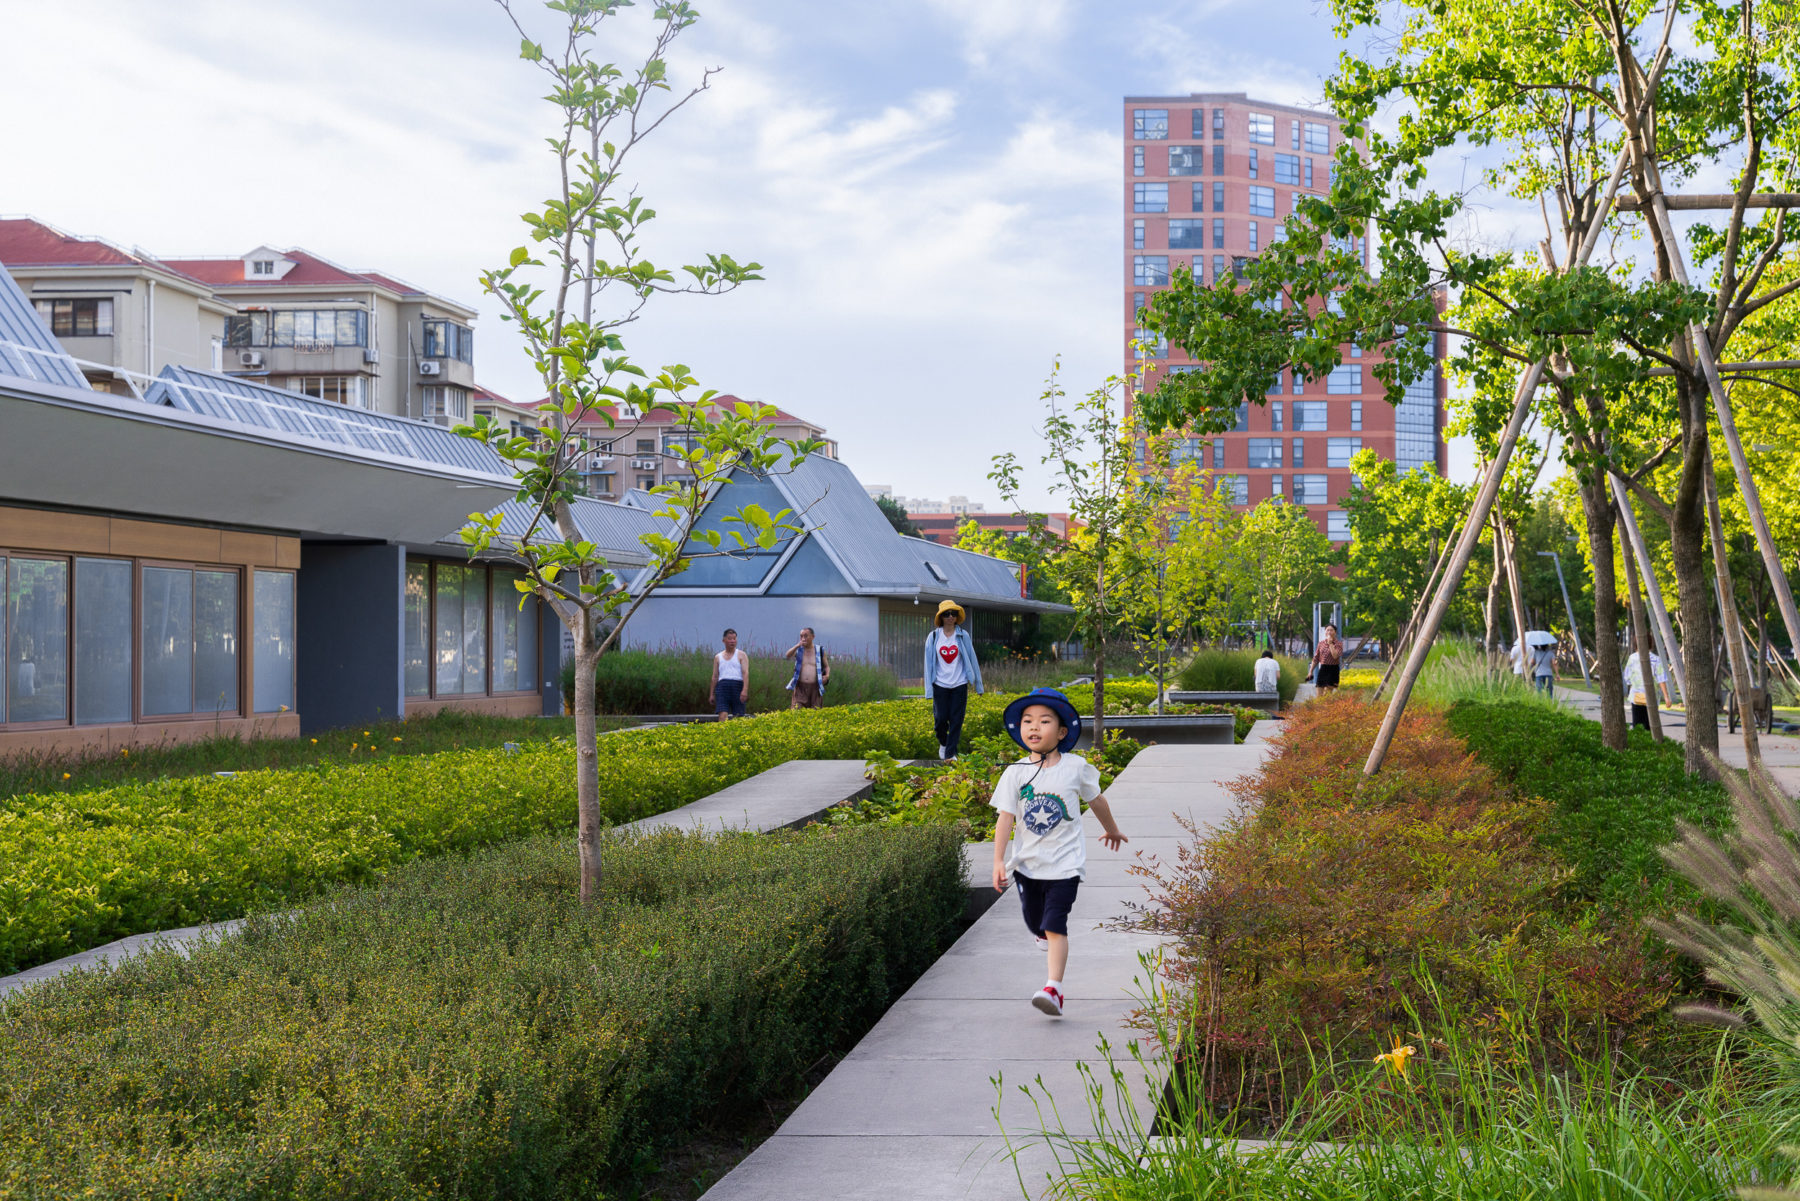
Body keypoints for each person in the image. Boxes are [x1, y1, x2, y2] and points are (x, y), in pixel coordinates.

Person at [990, 687, 1128, 1017]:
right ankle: (1041, 934)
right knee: (1035, 920)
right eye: (1027, 721)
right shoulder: (1015, 772)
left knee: (1055, 924)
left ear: (1062, 731)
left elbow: (1097, 800)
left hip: (1065, 865)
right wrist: (998, 860)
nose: (1034, 727)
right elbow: (1005, 818)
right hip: (1027, 866)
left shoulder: (1075, 767)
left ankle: (1054, 988)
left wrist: (1111, 828)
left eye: (1044, 721)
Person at [924, 599, 983, 759]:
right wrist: (928, 689)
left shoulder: (963, 635)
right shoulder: (934, 636)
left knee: (956, 720)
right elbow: (928, 664)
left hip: (960, 683)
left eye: (953, 614)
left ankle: (950, 754)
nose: (950, 617)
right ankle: (943, 743)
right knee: (941, 720)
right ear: (941, 617)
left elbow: (972, 659)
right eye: (947, 614)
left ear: (957, 617)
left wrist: (979, 686)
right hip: (940, 684)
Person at [783, 627, 830, 709]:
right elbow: (787, 656)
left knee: (815, 714)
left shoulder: (819, 650)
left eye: (806, 636)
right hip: (800, 688)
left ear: (813, 637)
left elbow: (826, 666)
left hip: (815, 687)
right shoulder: (798, 650)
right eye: (801, 636)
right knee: (796, 711)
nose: (803, 638)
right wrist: (797, 645)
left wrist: (827, 676)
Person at [1622, 648, 1668, 729]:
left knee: (1637, 726)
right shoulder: (1656, 659)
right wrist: (1666, 697)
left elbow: (1627, 677)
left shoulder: (1632, 658)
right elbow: (1661, 679)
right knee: (1650, 725)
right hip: (1652, 697)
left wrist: (1636, 684)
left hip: (1636, 697)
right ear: (1650, 645)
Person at [710, 628, 749, 720]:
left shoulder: (741, 655)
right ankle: (722, 733)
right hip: (722, 687)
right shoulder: (718, 657)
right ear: (724, 640)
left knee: (738, 716)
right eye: (730, 639)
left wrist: (745, 690)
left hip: (737, 686)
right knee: (722, 714)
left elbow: (745, 673)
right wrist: (711, 694)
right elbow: (715, 676)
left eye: (734, 639)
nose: (732, 641)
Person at [1311, 624, 1343, 691]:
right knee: (1319, 692)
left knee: (1327, 694)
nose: (1329, 632)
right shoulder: (1321, 643)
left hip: (1333, 669)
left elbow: (1335, 656)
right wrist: (1311, 671)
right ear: (1325, 632)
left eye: (1331, 630)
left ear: (1335, 632)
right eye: (1327, 630)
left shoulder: (1339, 644)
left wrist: (1330, 643)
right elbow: (1316, 658)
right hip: (1323, 668)